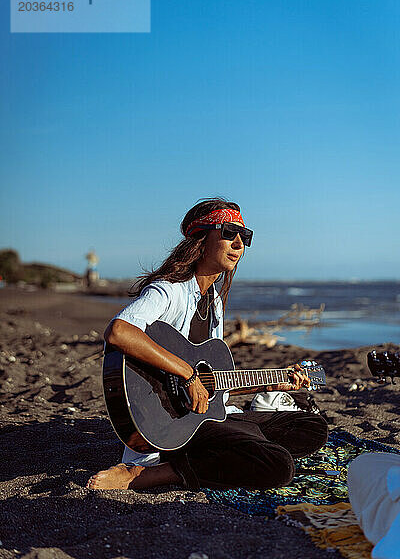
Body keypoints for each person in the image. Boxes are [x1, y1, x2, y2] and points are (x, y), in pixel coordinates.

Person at [87, 198, 328, 491]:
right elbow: (119, 332)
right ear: (200, 238)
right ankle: (147, 475)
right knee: (278, 465)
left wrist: (273, 384)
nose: (239, 244)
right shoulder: (169, 290)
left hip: (203, 417)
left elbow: (212, 383)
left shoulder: (214, 301)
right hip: (171, 423)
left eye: (244, 236)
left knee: (312, 428)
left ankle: (226, 452)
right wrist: (186, 374)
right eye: (229, 233)